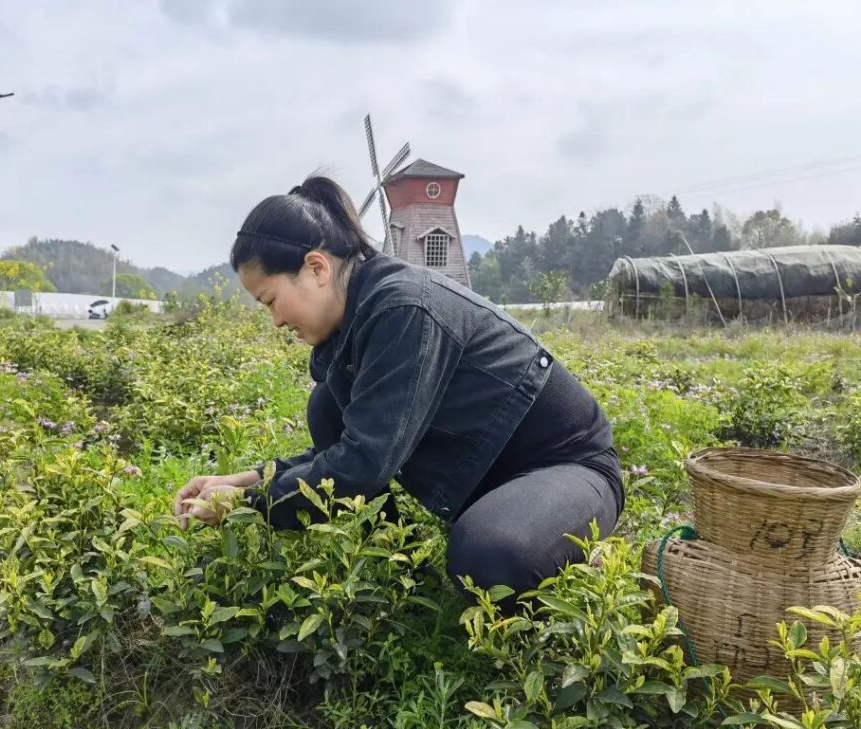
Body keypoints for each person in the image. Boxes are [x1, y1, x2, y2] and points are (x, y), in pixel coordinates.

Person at [174, 175, 624, 600]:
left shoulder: (404, 308)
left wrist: (247, 501)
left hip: (567, 467)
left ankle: (557, 545)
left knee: (488, 558)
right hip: (488, 479)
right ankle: (402, 574)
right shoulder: (360, 317)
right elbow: (359, 442)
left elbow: (361, 465)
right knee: (327, 404)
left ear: (316, 267)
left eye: (271, 300)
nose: (275, 320)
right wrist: (250, 478)